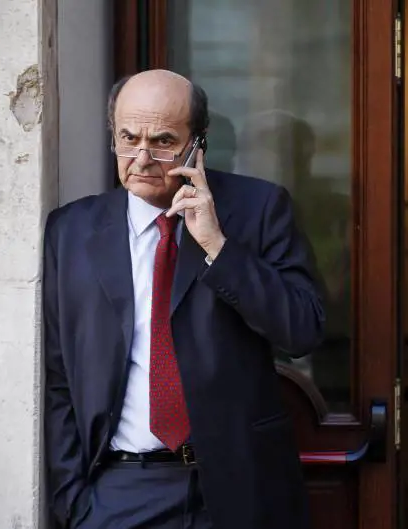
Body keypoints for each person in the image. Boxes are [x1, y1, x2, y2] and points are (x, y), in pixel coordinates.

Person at [42, 69, 325, 528]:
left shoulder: (258, 209)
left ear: (199, 143)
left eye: (163, 141)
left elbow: (302, 330)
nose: (142, 158)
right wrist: (72, 501)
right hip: (119, 491)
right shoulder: (71, 231)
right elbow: (60, 376)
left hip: (242, 487)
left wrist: (219, 247)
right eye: (128, 138)